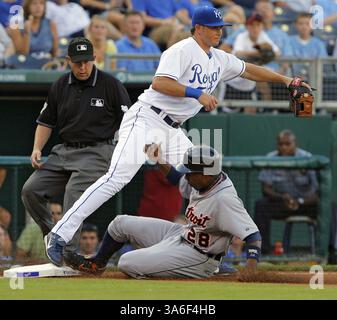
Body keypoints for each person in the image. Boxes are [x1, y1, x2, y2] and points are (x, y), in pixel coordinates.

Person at [46, 6, 313, 266]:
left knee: (205, 176)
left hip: (173, 129)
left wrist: (286, 81)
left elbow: (249, 69)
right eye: (213, 27)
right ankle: (59, 234)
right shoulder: (182, 50)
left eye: (221, 27)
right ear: (198, 28)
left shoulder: (219, 58)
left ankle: (208, 253)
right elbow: (160, 83)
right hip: (147, 118)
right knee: (117, 178)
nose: (219, 32)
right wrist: (197, 94)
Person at [63, 144, 262, 279]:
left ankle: (212, 270)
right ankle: (97, 264)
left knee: (127, 262)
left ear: (205, 173)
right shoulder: (203, 180)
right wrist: (158, 159)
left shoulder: (224, 199)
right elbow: (176, 178)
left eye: (191, 172)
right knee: (119, 223)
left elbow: (253, 235)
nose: (187, 176)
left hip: (200, 256)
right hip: (181, 235)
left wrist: (251, 268)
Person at [21, 37, 131, 258]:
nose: (83, 67)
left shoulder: (110, 84)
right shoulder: (60, 85)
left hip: (97, 151)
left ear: (94, 59)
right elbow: (45, 121)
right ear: (68, 61)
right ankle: (53, 236)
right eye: (77, 62)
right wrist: (36, 148)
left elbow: (130, 121)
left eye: (87, 62)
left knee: (73, 192)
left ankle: (68, 253)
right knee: (30, 190)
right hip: (64, 151)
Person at [254, 129, 319, 254]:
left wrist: (300, 201)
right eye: (281, 144)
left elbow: (317, 194)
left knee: (328, 208)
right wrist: (282, 197)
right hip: (282, 203)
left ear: (295, 144)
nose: (284, 147)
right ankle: (263, 252)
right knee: (261, 205)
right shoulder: (270, 158)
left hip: (305, 204)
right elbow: (265, 189)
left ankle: (329, 251)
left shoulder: (307, 158)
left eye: (287, 144)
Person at [6, 0, 58, 69]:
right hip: (25, 65)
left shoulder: (51, 24)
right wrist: (27, 32)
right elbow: (22, 55)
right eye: (34, 3)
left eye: (41, 3)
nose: (38, 6)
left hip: (46, 65)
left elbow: (54, 52)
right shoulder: (17, 26)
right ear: (27, 6)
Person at [289, 12, 328, 80]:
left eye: (307, 24)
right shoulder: (289, 41)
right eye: (300, 24)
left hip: (315, 79)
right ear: (296, 25)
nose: (304, 27)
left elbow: (323, 64)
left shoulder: (319, 44)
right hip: (294, 79)